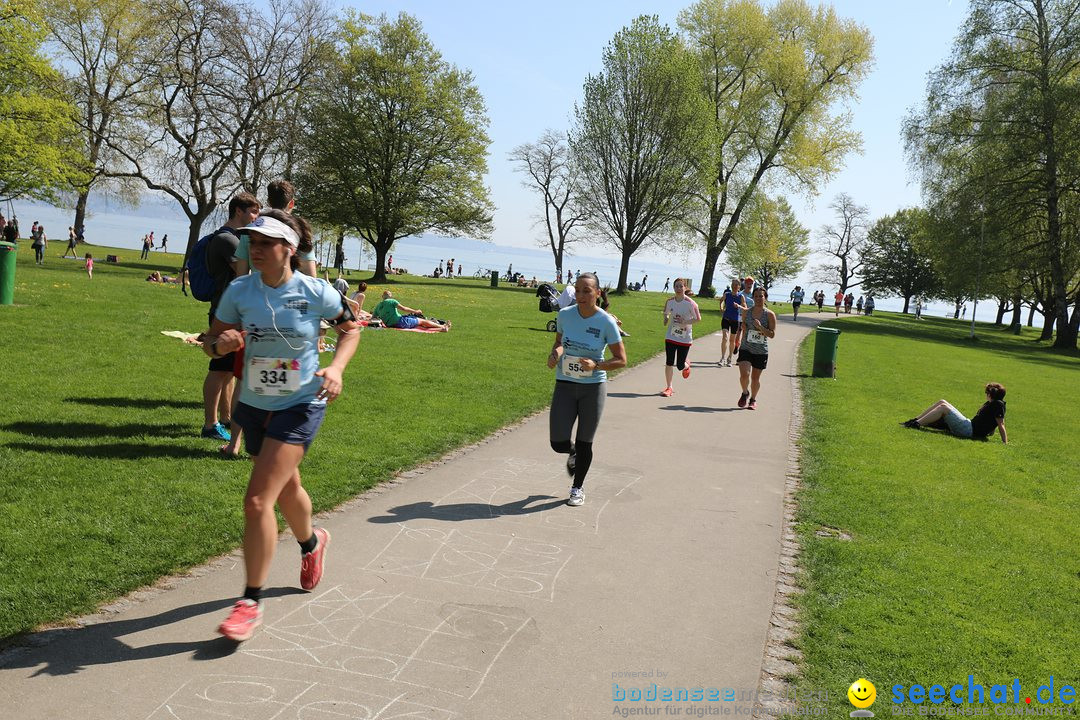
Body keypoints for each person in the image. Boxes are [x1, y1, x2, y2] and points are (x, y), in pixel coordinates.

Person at [203, 210, 360, 642]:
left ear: (288, 249)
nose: (255, 249)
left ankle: (250, 601)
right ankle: (312, 543)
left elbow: (350, 329)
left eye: (265, 243)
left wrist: (337, 368)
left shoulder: (315, 291)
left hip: (301, 402)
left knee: (257, 500)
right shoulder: (240, 291)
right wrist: (222, 342)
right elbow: (210, 341)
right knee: (286, 486)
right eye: (251, 242)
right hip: (253, 404)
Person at [546, 273, 626, 507]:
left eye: (587, 291)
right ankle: (571, 453)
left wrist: (597, 365)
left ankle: (577, 487)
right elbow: (560, 342)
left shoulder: (606, 322)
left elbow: (621, 359)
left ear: (597, 293)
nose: (580, 296)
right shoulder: (564, 315)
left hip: (593, 388)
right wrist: (555, 355)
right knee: (557, 442)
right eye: (577, 291)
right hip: (565, 384)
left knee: (585, 442)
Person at [202, 192, 261, 444]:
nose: (256, 217)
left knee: (227, 371)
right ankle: (210, 423)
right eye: (253, 212)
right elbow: (245, 272)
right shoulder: (228, 240)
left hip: (231, 311)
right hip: (225, 312)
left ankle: (224, 419)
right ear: (239, 211)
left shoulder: (233, 238)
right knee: (218, 369)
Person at [234, 181, 316, 279]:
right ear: (291, 204)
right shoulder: (299, 231)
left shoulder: (252, 230)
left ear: (268, 202)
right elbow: (311, 276)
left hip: (257, 291)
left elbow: (241, 276)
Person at [901, 382, 1007, 444]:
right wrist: (990, 432)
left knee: (943, 408)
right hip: (969, 426)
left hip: (968, 430)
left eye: (986, 392)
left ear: (990, 394)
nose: (986, 394)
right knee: (942, 401)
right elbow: (992, 421)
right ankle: (915, 420)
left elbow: (1000, 424)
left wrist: (1005, 443)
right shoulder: (993, 403)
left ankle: (916, 424)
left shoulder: (997, 404)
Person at [736, 285, 776, 411]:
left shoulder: (769, 315)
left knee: (755, 378)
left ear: (765, 298)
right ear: (753, 297)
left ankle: (753, 399)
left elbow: (772, 335)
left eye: (761, 296)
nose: (759, 298)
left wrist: (761, 328)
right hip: (746, 347)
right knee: (744, 375)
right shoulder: (747, 312)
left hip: (760, 351)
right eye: (756, 296)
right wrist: (740, 336)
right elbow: (743, 326)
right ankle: (744, 393)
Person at [660, 278, 701, 397]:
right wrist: (666, 318)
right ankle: (669, 387)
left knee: (679, 365)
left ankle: (686, 365)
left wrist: (685, 321)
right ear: (673, 288)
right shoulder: (670, 301)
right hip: (671, 336)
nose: (678, 289)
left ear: (685, 288)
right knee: (669, 362)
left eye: (680, 286)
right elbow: (666, 312)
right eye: (676, 286)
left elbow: (698, 319)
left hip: (684, 338)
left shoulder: (691, 303)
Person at [372, 290, 450, 331]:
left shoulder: (378, 306)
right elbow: (404, 309)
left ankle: (440, 327)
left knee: (415, 320)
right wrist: (416, 311)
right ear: (391, 296)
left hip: (390, 324)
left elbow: (373, 318)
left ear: (382, 296)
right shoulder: (392, 301)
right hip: (400, 322)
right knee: (422, 321)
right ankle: (442, 327)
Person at [719, 279, 742, 366]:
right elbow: (721, 300)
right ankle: (722, 358)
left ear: (739, 286)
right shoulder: (727, 294)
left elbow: (745, 307)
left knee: (732, 340)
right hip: (726, 318)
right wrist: (721, 308)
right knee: (725, 337)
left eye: (736, 285)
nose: (734, 286)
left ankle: (729, 358)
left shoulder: (741, 297)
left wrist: (738, 306)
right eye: (733, 284)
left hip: (735, 320)